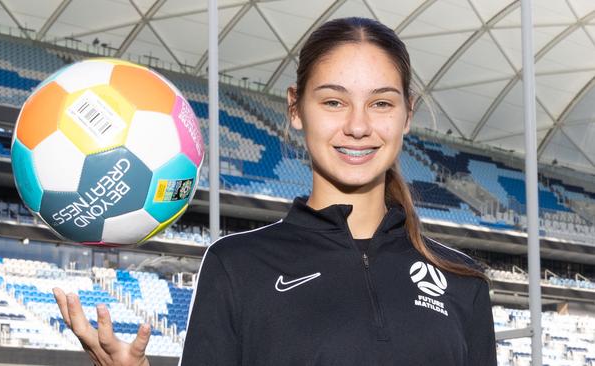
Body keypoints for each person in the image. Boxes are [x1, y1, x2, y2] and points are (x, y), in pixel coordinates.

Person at [53, 16, 497, 366]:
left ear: (406, 114)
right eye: (333, 101)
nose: (358, 126)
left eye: (381, 103)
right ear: (295, 109)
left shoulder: (462, 279)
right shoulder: (236, 266)